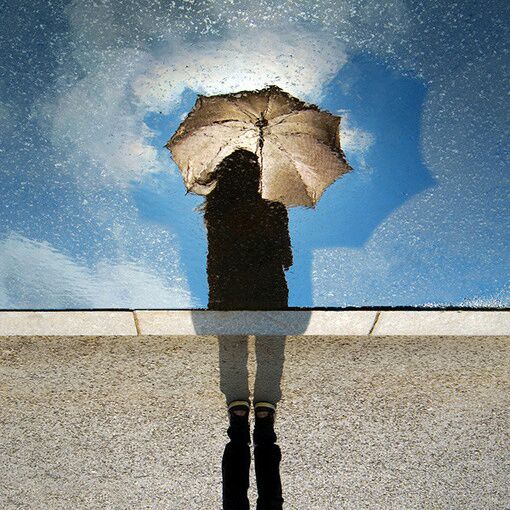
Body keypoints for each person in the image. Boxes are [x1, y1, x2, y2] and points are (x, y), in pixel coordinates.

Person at [201, 149, 290, 508]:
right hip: (269, 290)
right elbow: (286, 257)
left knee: (232, 352)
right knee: (270, 353)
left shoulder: (216, 210)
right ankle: (263, 415)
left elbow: (214, 258)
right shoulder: (274, 208)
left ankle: (239, 415)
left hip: (228, 291)